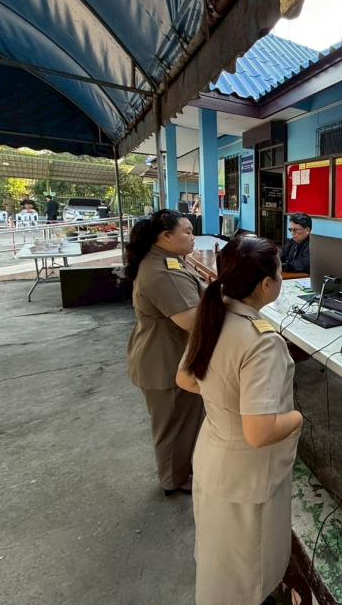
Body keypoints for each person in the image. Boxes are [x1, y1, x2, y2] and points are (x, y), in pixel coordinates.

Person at [176, 236, 302, 604]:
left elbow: (186, 379)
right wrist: (297, 418)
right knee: (249, 573)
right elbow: (259, 432)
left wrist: (225, 397)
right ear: (266, 285)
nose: (280, 278)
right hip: (246, 474)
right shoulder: (262, 342)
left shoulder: (214, 314)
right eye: (279, 272)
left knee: (220, 562)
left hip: (213, 455)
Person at [126, 210, 205, 496]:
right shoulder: (162, 272)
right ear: (166, 236)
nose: (193, 236)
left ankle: (183, 470)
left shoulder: (169, 260)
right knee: (173, 426)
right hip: (165, 360)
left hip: (170, 353)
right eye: (187, 232)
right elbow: (192, 320)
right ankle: (174, 480)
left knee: (184, 421)